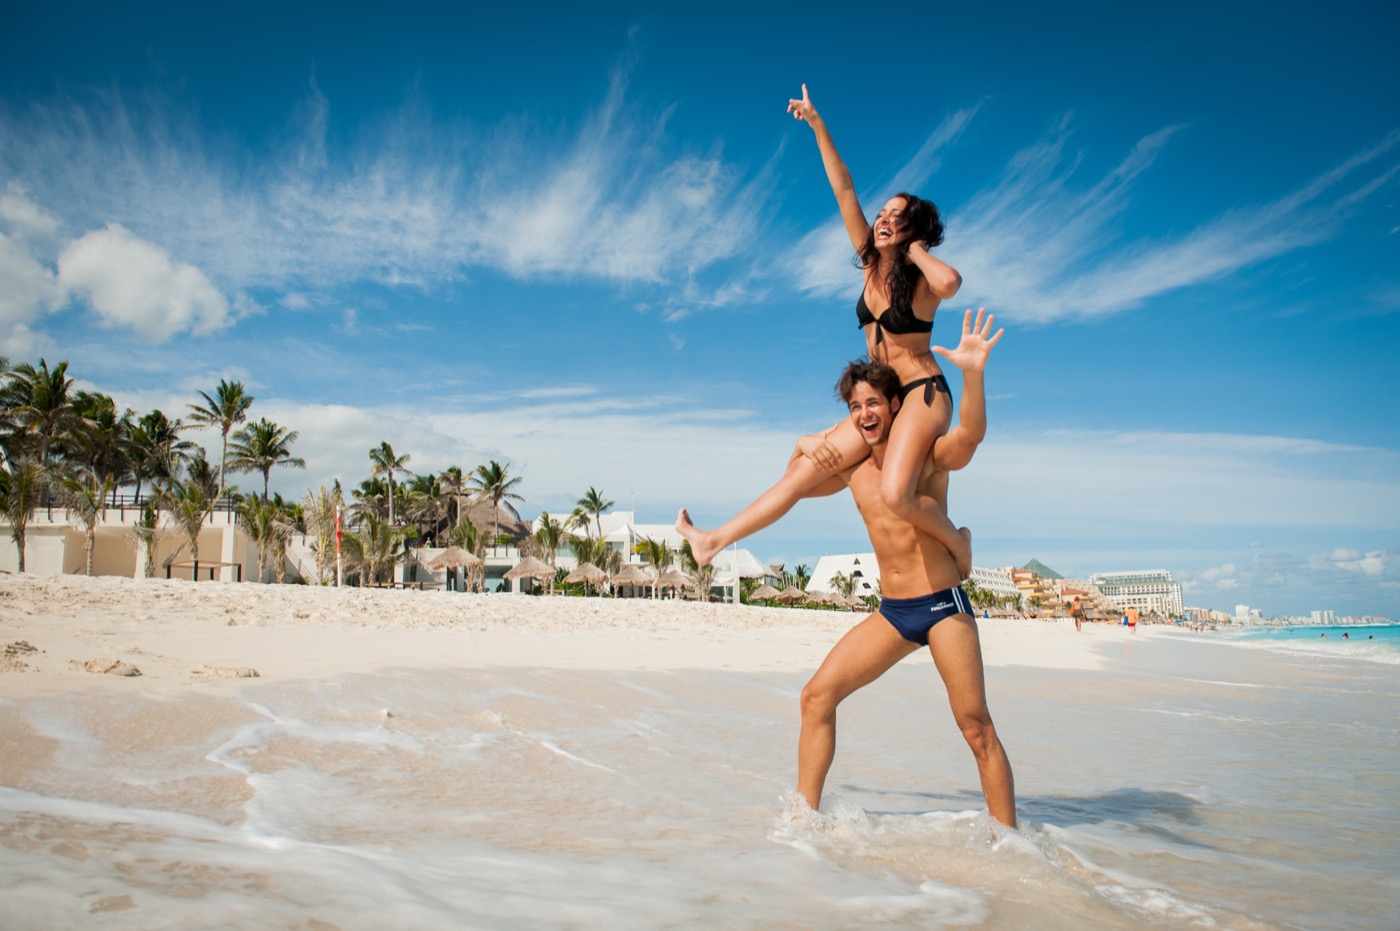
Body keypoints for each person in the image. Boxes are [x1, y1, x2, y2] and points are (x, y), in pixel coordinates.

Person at [677, 83, 971, 575]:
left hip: (921, 393)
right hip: (879, 397)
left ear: (912, 228)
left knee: (897, 492)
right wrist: (817, 125)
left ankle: (959, 544)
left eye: (896, 218)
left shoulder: (920, 279)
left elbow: (953, 282)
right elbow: (845, 189)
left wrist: (916, 247)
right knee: (802, 473)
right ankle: (713, 541)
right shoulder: (868, 260)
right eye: (882, 214)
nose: (882, 221)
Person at [793, 313, 1014, 827]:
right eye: (855, 407)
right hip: (893, 613)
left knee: (976, 726)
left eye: (874, 403)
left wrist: (973, 376)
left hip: (941, 607)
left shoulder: (925, 457)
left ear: (896, 405)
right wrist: (803, 443)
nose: (865, 414)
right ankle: (804, 821)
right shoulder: (853, 471)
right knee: (816, 696)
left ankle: (1011, 843)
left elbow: (970, 436)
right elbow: (797, 488)